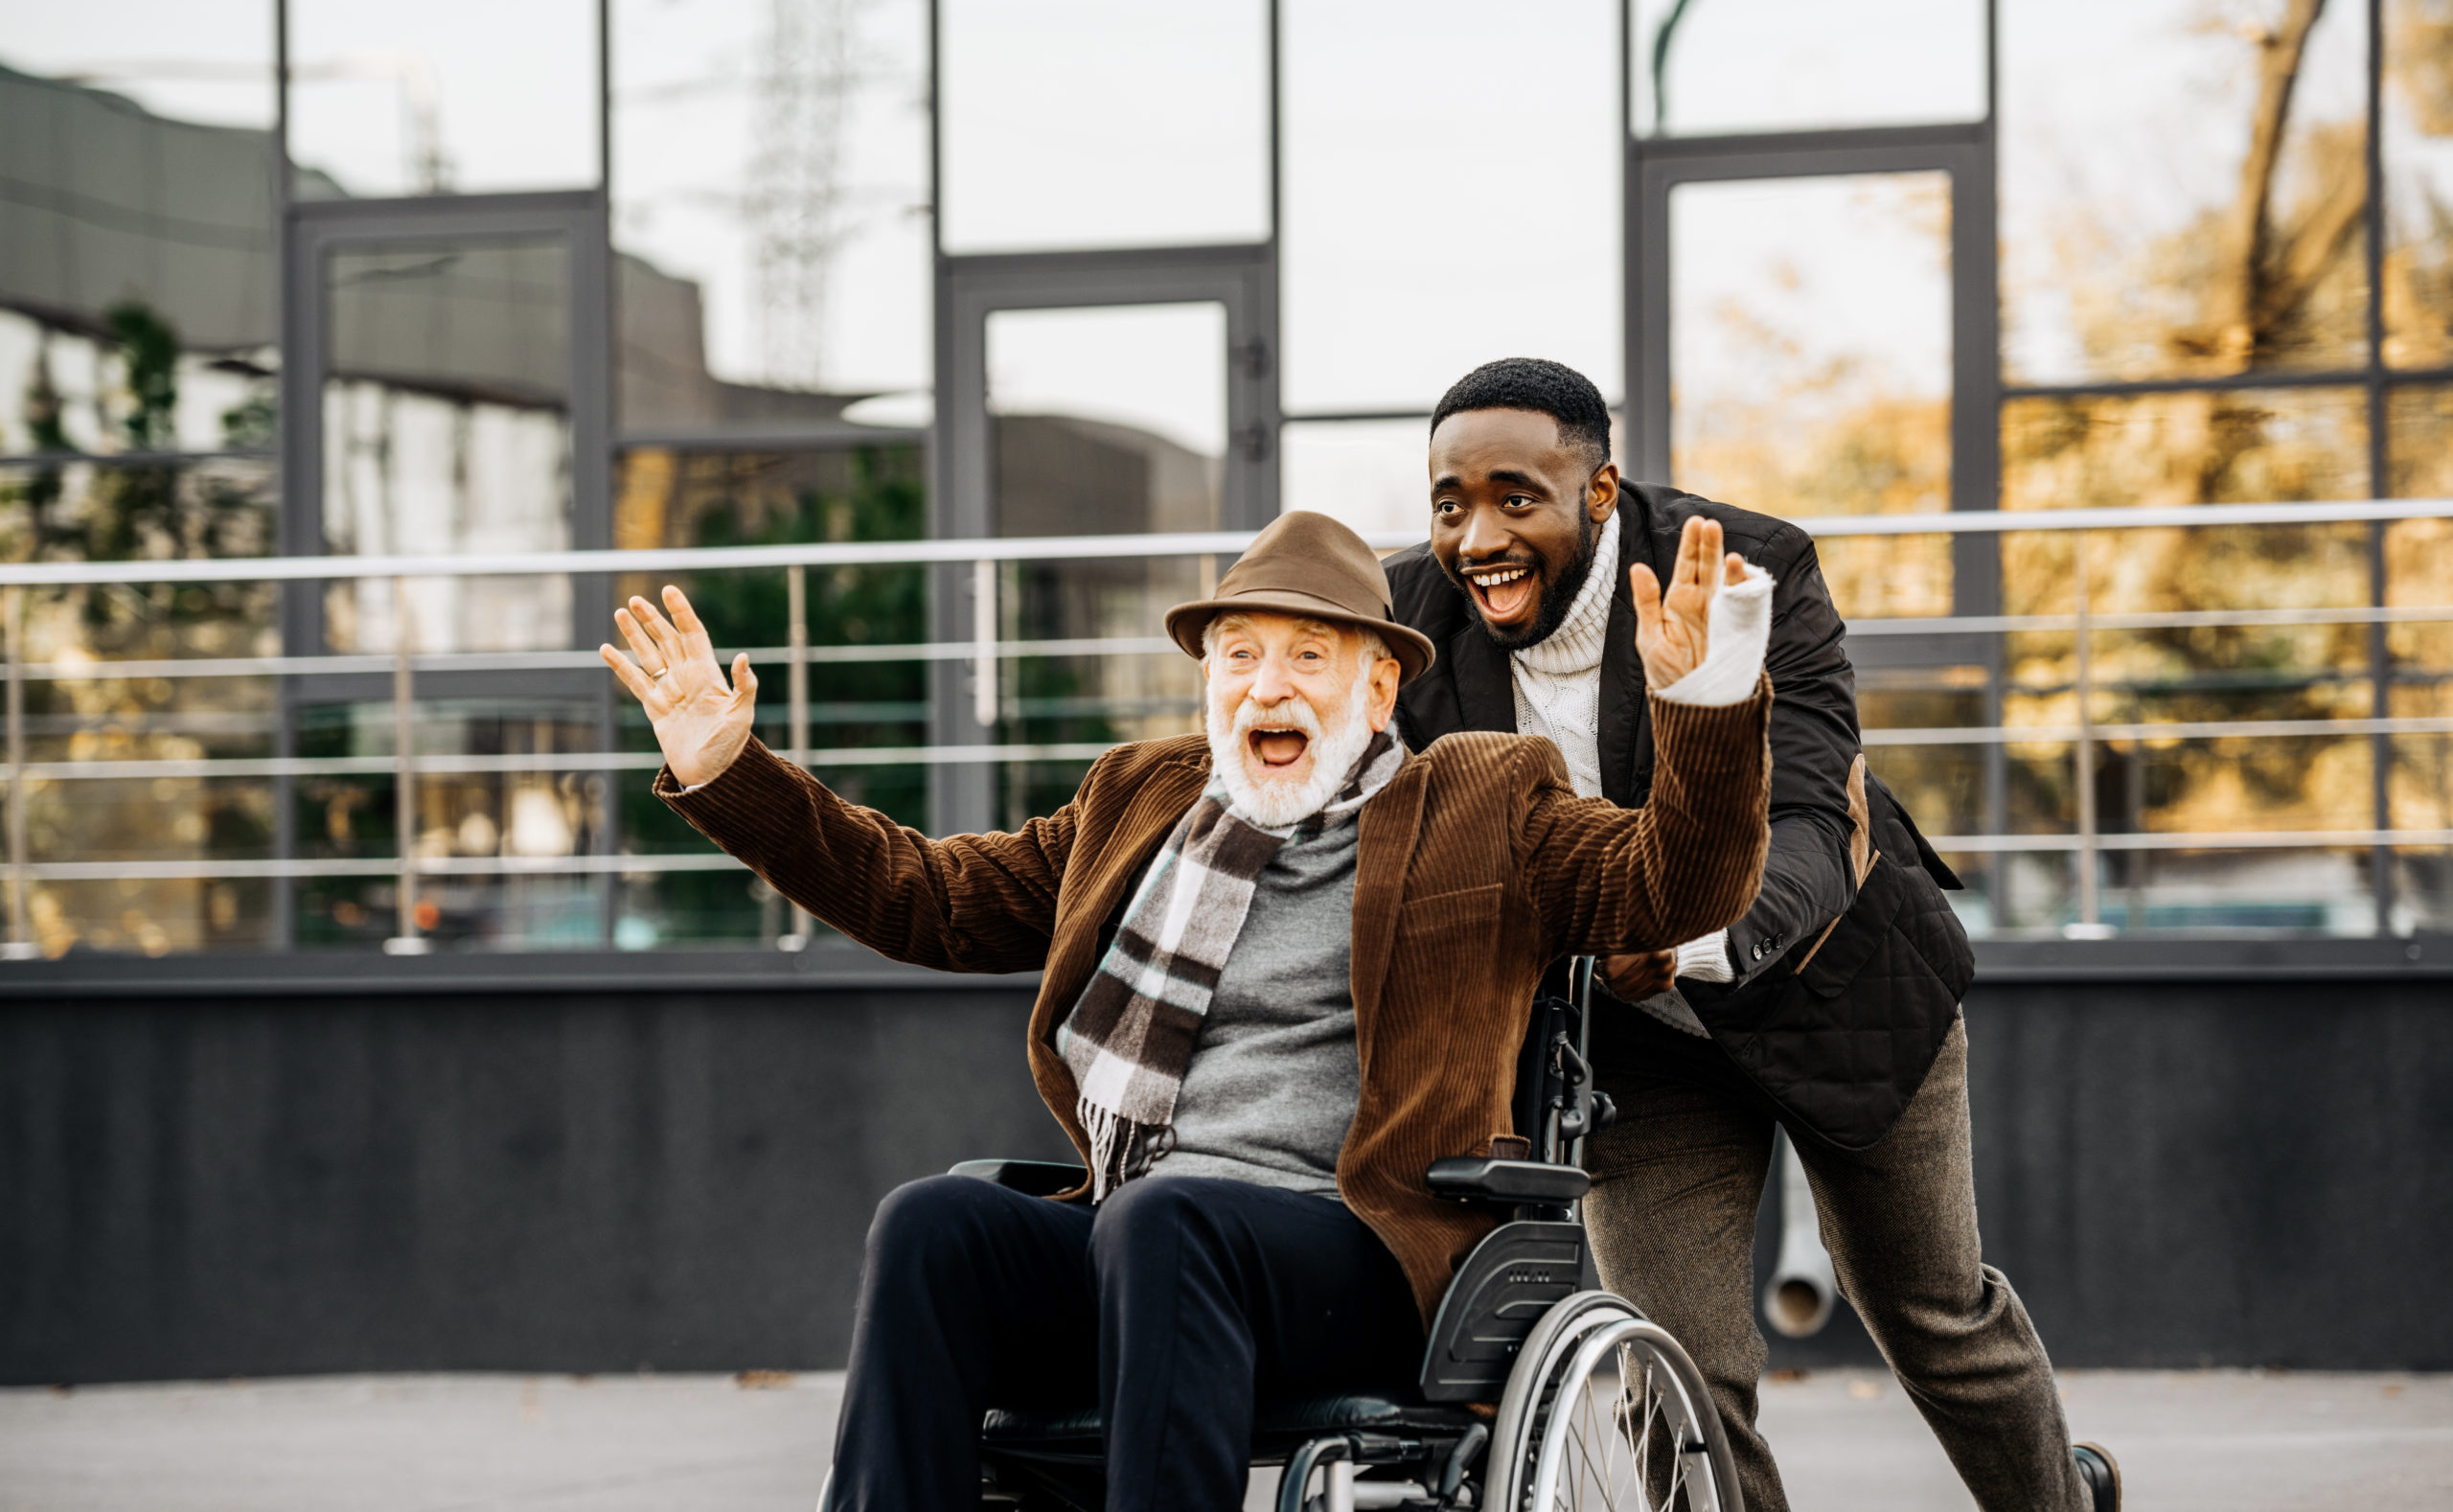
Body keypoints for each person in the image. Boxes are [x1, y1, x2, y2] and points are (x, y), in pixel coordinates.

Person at [602, 509, 1776, 1512]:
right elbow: (930, 899)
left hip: (1362, 1255)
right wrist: (730, 769)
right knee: (934, 1223)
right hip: (1143, 1244)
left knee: (1165, 1221)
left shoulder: (1482, 798)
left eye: (1308, 656)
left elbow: (1671, 884)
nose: (1267, 685)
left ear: (1377, 687)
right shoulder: (1139, 801)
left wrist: (1709, 705)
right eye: (1239, 655)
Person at [1383, 356, 2121, 1512]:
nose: (1478, 533)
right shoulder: (1410, 626)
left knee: (1932, 1311)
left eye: (1514, 496)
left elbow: (1811, 817)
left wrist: (1682, 939)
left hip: (1830, 984)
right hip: (1631, 1042)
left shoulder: (1743, 567)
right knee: (1673, 1370)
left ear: (1598, 487)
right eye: (1449, 502)